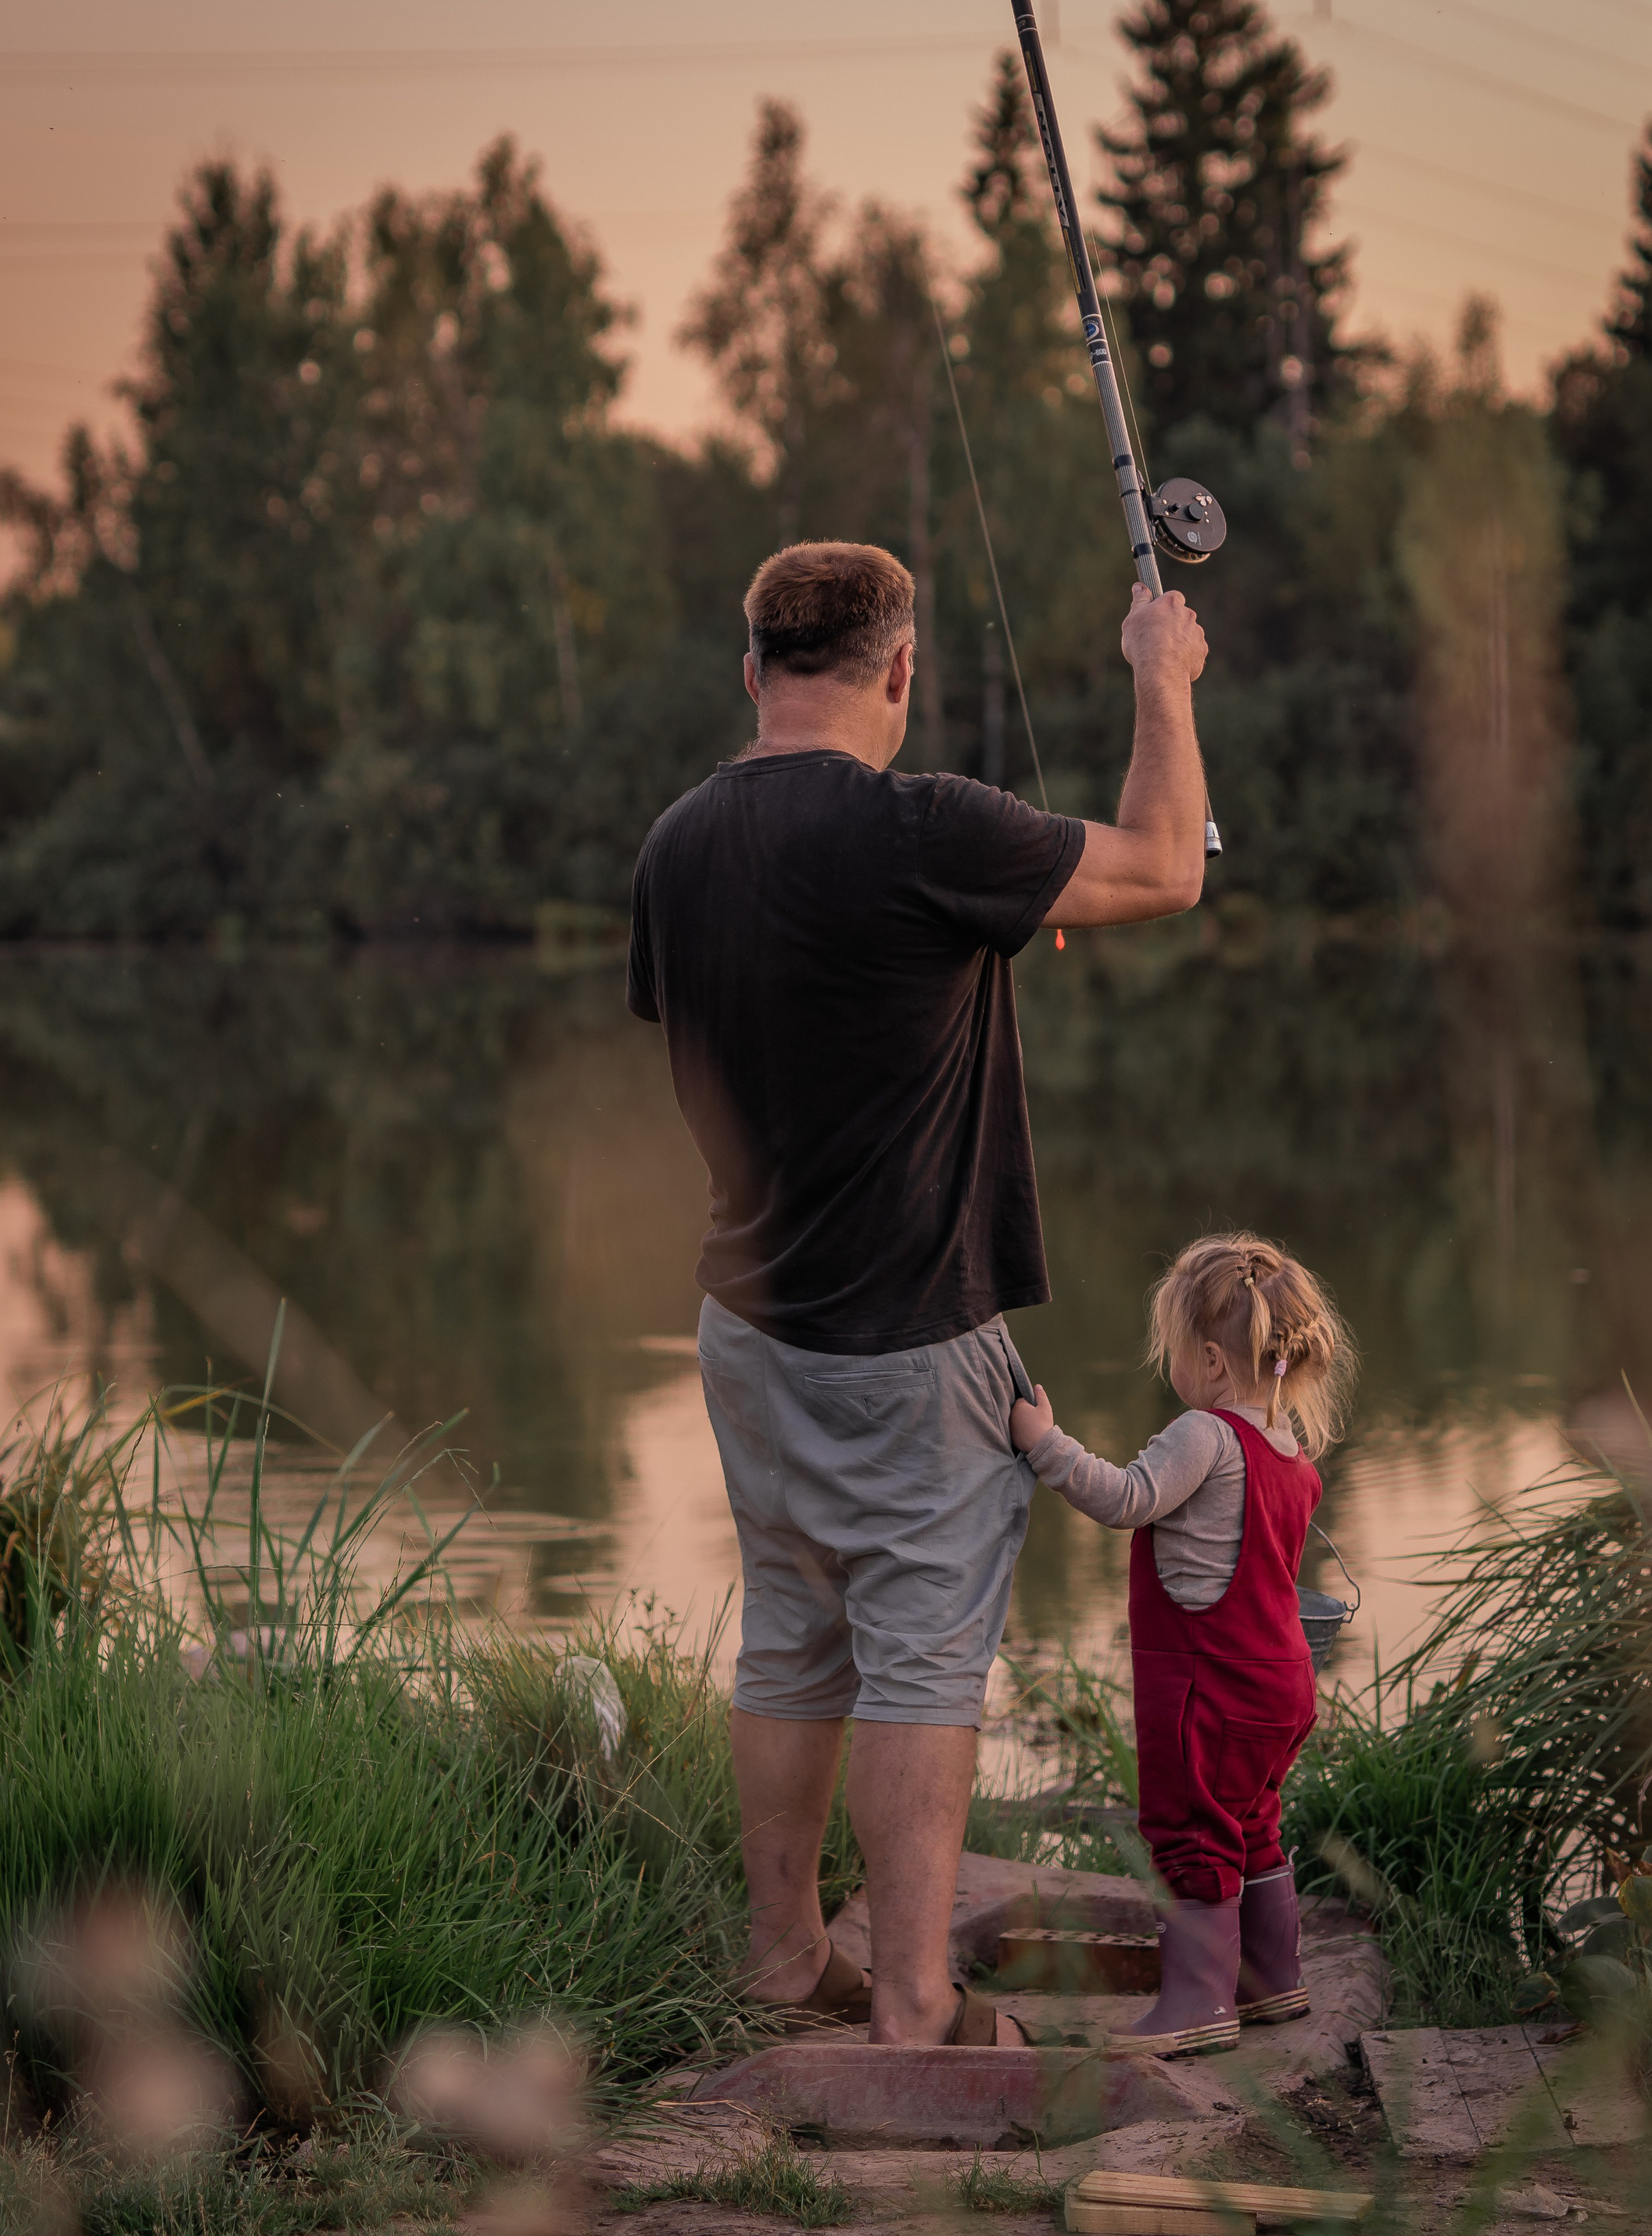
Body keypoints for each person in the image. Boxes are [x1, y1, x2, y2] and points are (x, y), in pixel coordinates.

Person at [626, 539, 1208, 2047]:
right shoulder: (920, 827)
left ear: (755, 673)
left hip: (745, 1327)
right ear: (901, 671)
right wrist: (1163, 676)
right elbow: (1161, 864)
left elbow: (752, 1020)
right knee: (923, 1664)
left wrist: (972, 925)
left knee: (790, 1637)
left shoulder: (675, 843)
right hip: (907, 1336)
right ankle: (910, 2004)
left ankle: (777, 1956)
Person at [1011, 1234, 1356, 2055]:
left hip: (1208, 1682)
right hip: (1281, 1683)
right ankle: (1272, 1981)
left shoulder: (1203, 1435)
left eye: (1171, 1349)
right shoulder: (1292, 1454)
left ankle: (1196, 2005)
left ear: (1208, 1358)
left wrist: (1042, 1442)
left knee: (1192, 1829)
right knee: (1252, 1820)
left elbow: (1127, 1498)